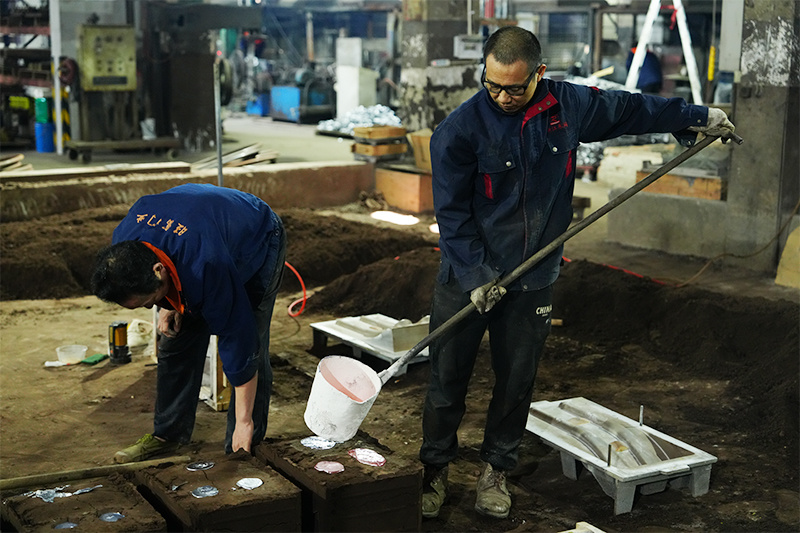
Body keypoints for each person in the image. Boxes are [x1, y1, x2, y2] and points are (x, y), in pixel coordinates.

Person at [420, 26, 733, 520]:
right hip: (467, 278)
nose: (502, 96)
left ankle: (495, 470)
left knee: (516, 381)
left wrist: (698, 115)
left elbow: (631, 109)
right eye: (492, 85)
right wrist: (478, 276)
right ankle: (433, 470)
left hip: (533, 277)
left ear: (539, 74)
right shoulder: (458, 131)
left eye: (515, 88)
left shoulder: (568, 107)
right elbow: (453, 218)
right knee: (446, 380)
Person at [91, 183, 286, 463]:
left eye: (150, 302)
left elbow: (238, 340)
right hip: (200, 230)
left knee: (250, 340)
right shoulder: (123, 243)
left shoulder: (206, 265)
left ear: (159, 272)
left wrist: (244, 421)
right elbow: (161, 282)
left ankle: (242, 444)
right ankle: (168, 435)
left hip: (256, 237)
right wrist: (168, 304)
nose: (152, 307)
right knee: (175, 338)